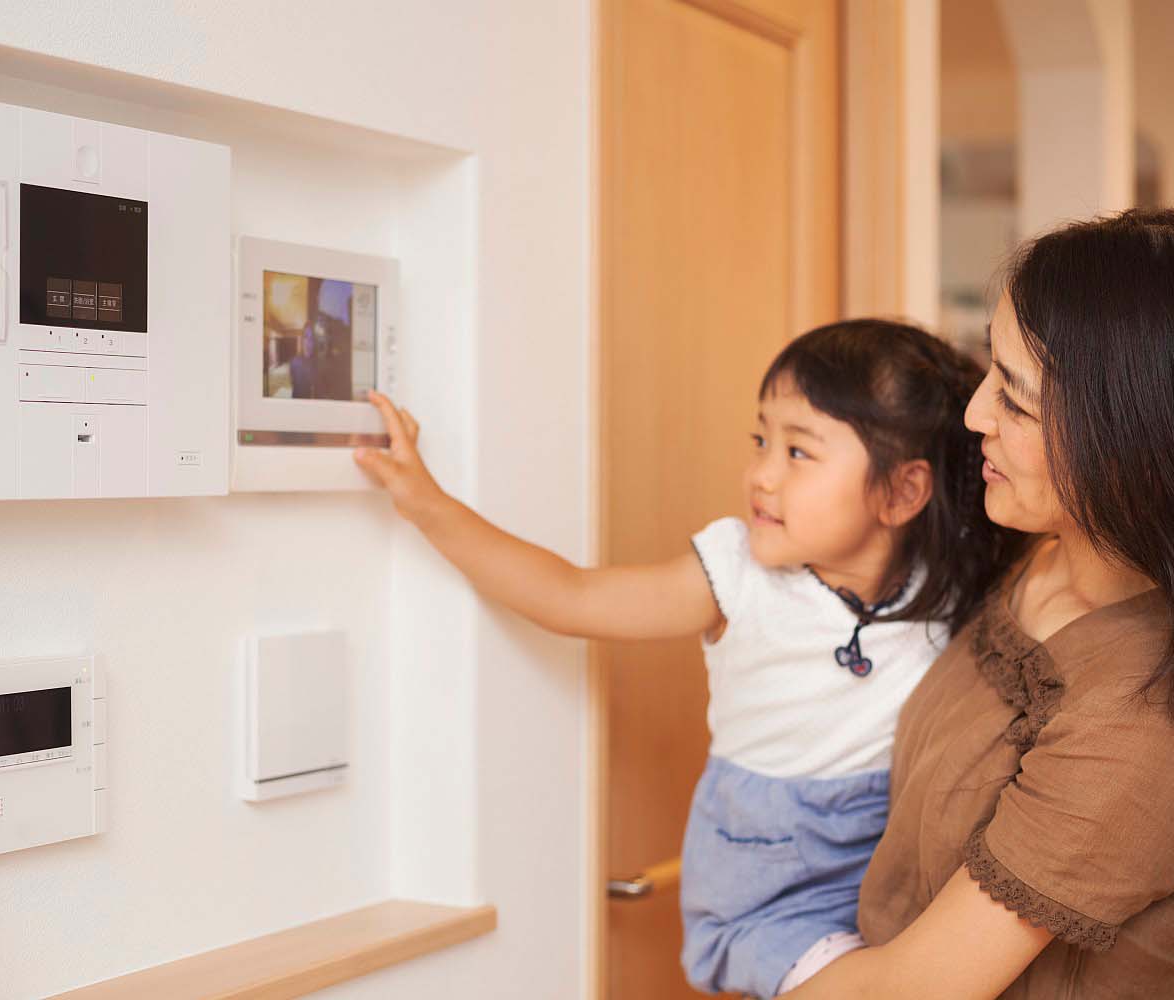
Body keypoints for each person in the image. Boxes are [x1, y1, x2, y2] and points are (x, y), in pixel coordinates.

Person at [353, 320, 1022, 998]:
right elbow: (568, 595)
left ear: (903, 493)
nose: (760, 474)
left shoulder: (947, 588)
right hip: (766, 891)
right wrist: (427, 505)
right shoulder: (736, 576)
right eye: (762, 441)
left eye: (798, 452)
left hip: (879, 873)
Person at [785, 208, 1174, 998]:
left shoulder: (1140, 730)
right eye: (988, 372)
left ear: (1136, 439)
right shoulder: (1033, 554)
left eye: (1015, 401)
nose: (975, 414)